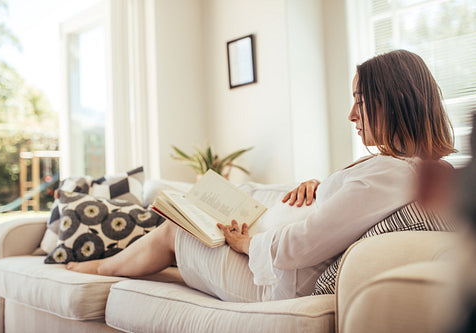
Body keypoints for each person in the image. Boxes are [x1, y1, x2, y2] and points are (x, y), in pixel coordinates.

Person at [66, 49, 456, 302]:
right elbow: (345, 215)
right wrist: (321, 188)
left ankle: (98, 266)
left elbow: (303, 245)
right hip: (273, 261)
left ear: (395, 102)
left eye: (360, 102)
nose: (352, 115)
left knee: (174, 230)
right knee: (188, 224)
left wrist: (246, 244)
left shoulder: (392, 174)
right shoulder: (402, 171)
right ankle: (130, 261)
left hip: (276, 280)